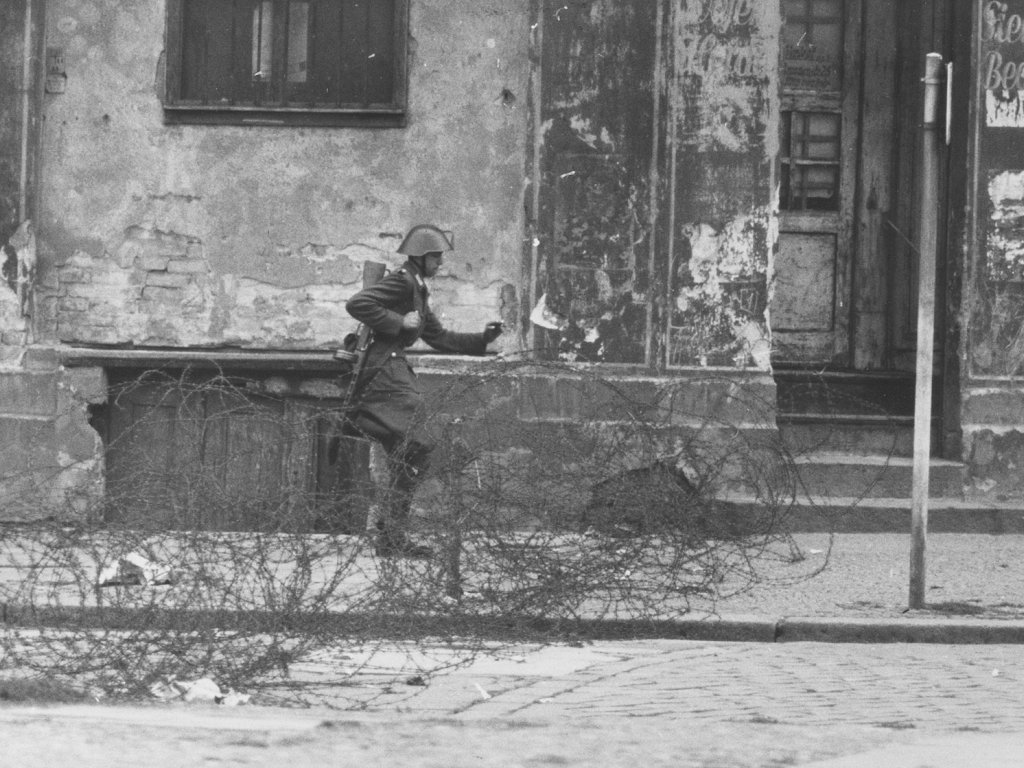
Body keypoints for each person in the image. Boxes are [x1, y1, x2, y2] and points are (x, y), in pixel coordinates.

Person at [344, 224, 503, 557]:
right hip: (383, 373)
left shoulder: (417, 291)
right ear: (421, 256)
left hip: (393, 371)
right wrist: (397, 322)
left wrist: (483, 340)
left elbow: (440, 338)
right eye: (437, 256)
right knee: (418, 444)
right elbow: (358, 303)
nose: (441, 263)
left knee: (409, 453)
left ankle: (391, 538)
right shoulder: (402, 283)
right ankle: (391, 536)